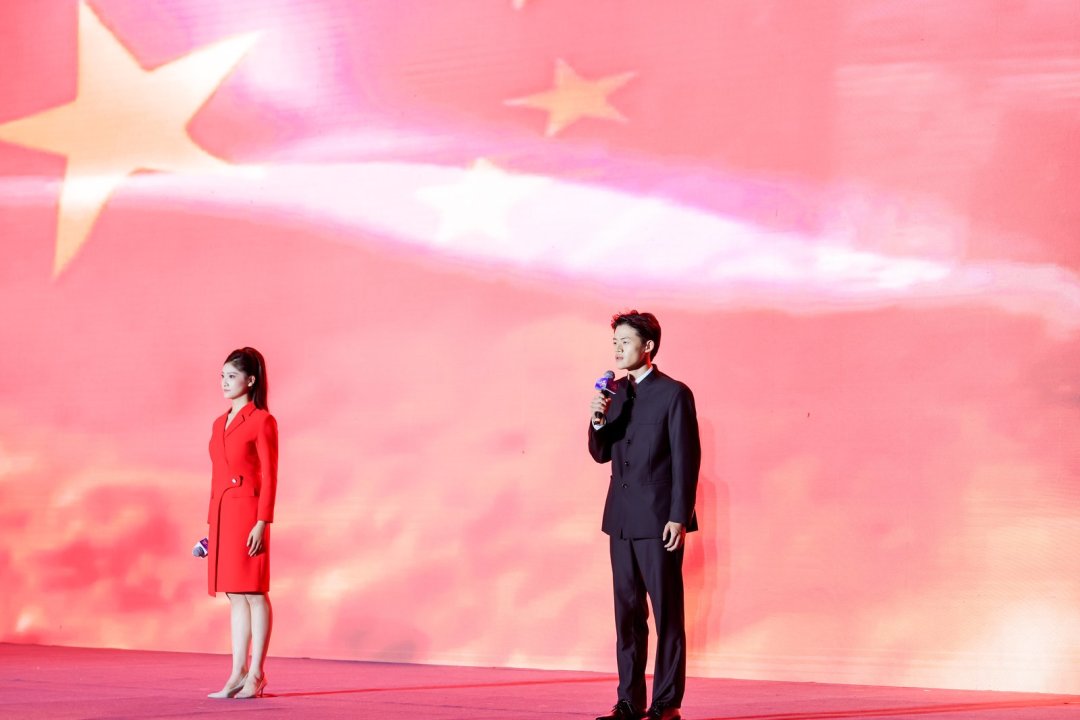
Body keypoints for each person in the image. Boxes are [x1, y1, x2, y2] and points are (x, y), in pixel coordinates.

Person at [588, 312, 701, 720]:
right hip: (620, 520)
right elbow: (600, 453)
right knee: (627, 614)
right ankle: (629, 702)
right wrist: (597, 419)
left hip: (658, 521)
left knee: (667, 613)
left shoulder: (674, 394)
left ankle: (666, 704)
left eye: (625, 341)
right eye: (614, 342)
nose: (617, 348)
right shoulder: (614, 392)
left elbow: (687, 459)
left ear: (647, 346)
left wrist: (678, 516)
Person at [205, 347, 278, 699]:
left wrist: (263, 522)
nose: (224, 382)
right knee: (234, 595)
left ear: (250, 380)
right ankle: (237, 673)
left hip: (249, 514)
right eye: (222, 376)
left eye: (231, 376)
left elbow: (271, 476)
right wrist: (211, 527)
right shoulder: (218, 423)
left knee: (254, 592)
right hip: (223, 515)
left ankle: (257, 673)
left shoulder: (262, 421)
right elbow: (217, 476)